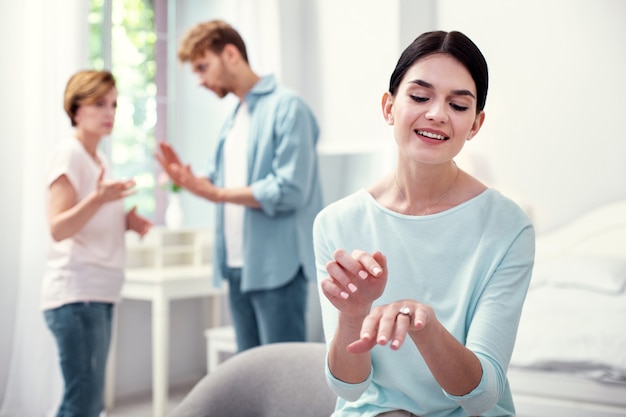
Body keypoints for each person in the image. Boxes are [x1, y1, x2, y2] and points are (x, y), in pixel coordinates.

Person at [313, 31, 535, 417]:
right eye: (419, 96)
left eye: (459, 105)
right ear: (388, 107)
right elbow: (349, 389)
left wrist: (424, 326)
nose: (437, 114)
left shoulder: (508, 227)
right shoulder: (336, 223)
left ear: (475, 124)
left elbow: (481, 396)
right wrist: (353, 316)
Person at [156, 20, 324, 351]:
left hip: (277, 266)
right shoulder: (234, 118)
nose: (201, 80)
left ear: (231, 54)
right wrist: (187, 180)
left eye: (203, 67)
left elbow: (290, 189)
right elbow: (218, 181)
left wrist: (215, 193)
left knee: (280, 376)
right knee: (249, 376)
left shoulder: (289, 107)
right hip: (236, 266)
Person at [41, 69, 152, 417]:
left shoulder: (98, 159)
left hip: (98, 293)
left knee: (88, 401)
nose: (110, 112)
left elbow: (88, 222)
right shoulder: (70, 153)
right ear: (75, 108)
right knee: (83, 401)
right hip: (76, 295)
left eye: (114, 104)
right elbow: (58, 228)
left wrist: (125, 221)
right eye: (100, 103)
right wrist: (99, 201)